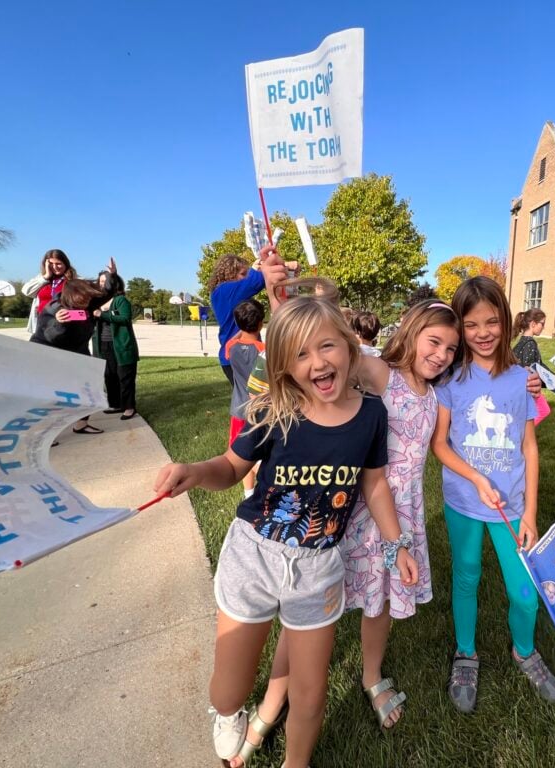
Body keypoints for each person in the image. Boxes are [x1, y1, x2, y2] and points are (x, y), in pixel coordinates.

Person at [152, 292, 417, 768]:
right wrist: (193, 471)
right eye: (300, 354)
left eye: (327, 346)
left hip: (318, 568)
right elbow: (232, 468)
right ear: (284, 366)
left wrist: (397, 544)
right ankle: (230, 712)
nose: (317, 362)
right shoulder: (275, 410)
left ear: (349, 347)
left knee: (311, 696)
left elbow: (374, 486)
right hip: (253, 557)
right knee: (228, 689)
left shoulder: (372, 414)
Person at [430, 276, 555, 713]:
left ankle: (524, 651)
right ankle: (465, 652)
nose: (483, 332)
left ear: (506, 322)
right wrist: (476, 478)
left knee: (525, 591)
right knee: (466, 576)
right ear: (459, 327)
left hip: (512, 508)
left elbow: (529, 446)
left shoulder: (522, 379)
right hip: (464, 503)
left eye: (492, 322)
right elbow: (440, 443)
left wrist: (530, 512)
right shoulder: (450, 378)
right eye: (471, 325)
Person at [339, 300, 460, 729]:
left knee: (382, 600)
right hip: (361, 505)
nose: (442, 354)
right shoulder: (380, 373)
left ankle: (371, 675)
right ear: (410, 331)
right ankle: (291, 674)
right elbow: (333, 353)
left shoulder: (437, 397)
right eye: (434, 341)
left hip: (405, 515)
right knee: (322, 590)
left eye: (450, 347)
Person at [31, 277, 109, 434]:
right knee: (51, 396)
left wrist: (111, 276)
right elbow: (49, 337)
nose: (86, 303)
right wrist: (59, 323)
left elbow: (108, 292)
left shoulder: (88, 304)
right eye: (82, 300)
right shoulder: (53, 309)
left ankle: (81, 424)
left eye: (88, 299)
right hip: (50, 356)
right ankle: (41, 432)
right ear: (72, 297)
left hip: (77, 353)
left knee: (90, 388)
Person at [208, 244, 286, 385]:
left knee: (248, 399)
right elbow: (259, 279)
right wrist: (281, 267)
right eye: (243, 274)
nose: (246, 278)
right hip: (240, 355)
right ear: (230, 274)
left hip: (236, 355)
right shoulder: (226, 291)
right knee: (254, 399)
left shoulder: (222, 293)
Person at [223, 298, 266, 499]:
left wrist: (243, 325)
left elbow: (237, 337)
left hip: (238, 410)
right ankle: (266, 476)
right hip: (260, 410)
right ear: (260, 323)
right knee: (260, 455)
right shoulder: (264, 351)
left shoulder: (230, 347)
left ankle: (248, 494)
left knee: (241, 453)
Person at [92, 272, 139, 420]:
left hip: (121, 345)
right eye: (100, 281)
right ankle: (116, 404)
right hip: (103, 345)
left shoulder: (120, 300)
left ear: (113, 283)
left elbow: (125, 319)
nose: (102, 284)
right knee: (109, 376)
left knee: (124, 377)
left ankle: (129, 407)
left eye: (105, 281)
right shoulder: (97, 301)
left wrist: (103, 315)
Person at [22, 250, 88, 335]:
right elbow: (26, 291)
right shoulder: (42, 279)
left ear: (65, 263)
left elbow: (83, 310)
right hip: (42, 325)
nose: (55, 267)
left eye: (58, 264)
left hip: (64, 328)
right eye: (51, 264)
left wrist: (67, 315)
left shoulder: (76, 280)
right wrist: (46, 276)